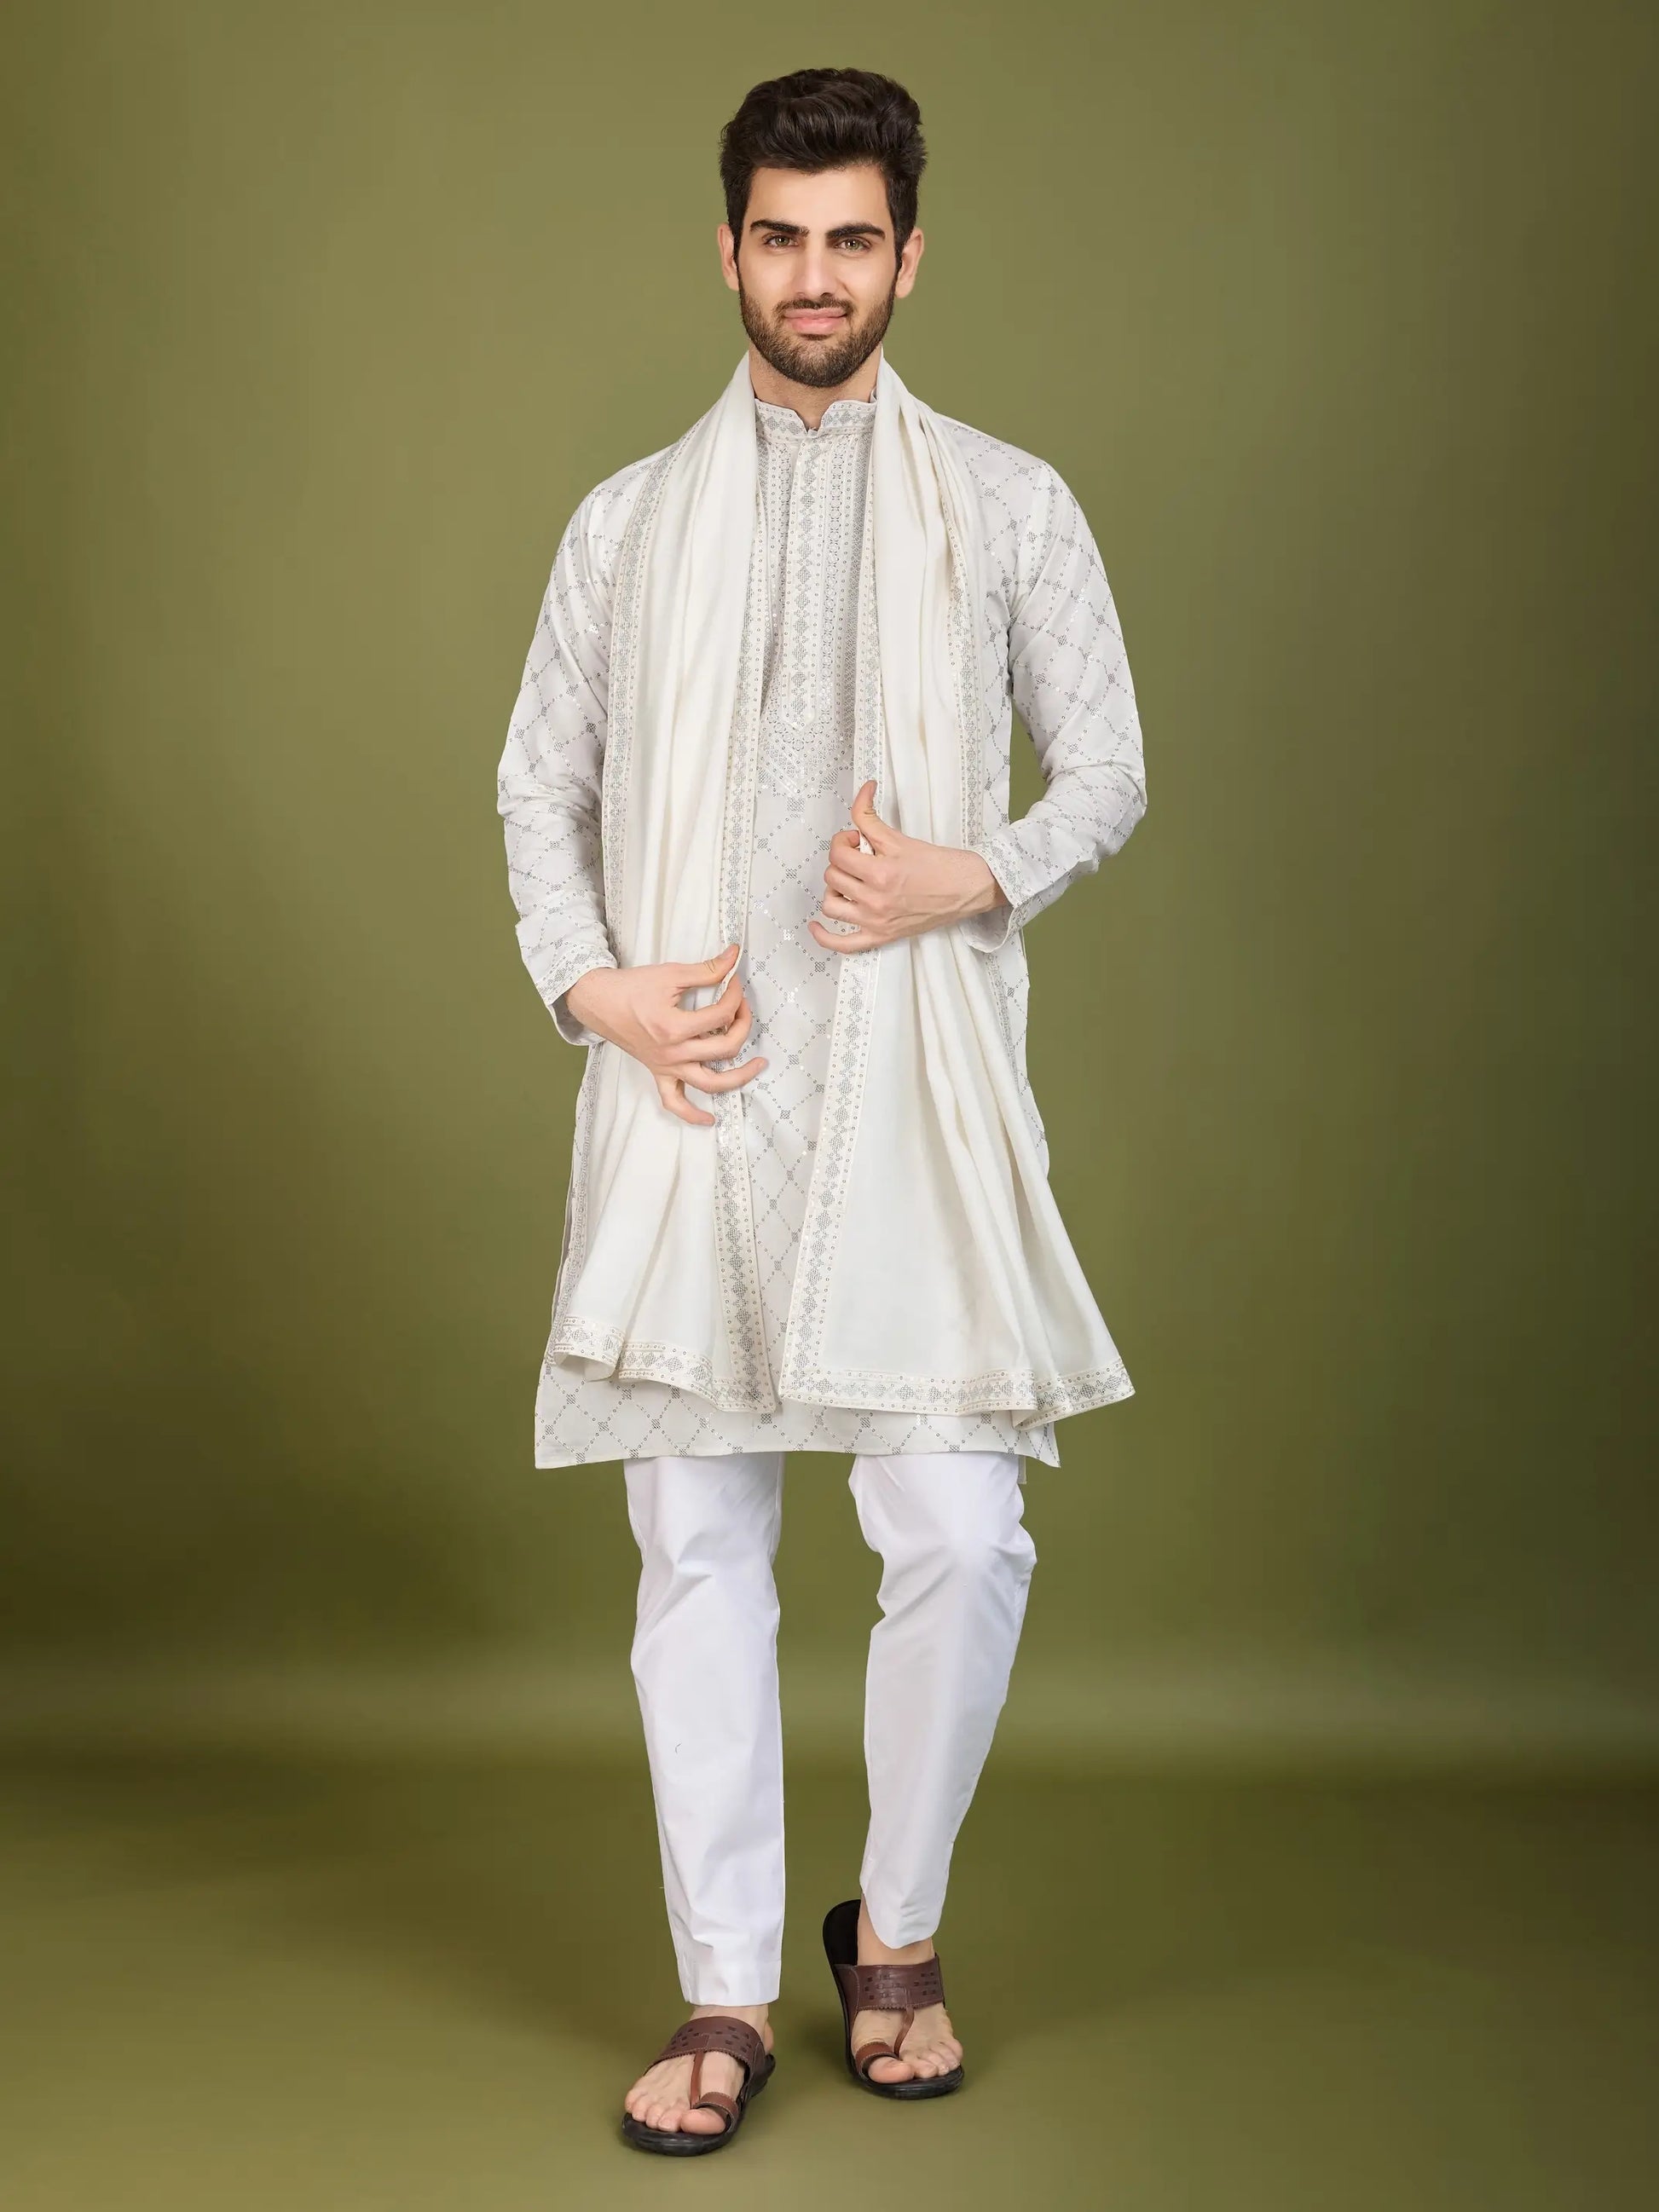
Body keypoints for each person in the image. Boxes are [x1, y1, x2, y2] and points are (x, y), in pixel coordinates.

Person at [496, 66, 1147, 2155]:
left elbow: (1108, 767)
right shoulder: (626, 522)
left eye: (849, 239)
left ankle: (899, 1932)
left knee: (959, 1527)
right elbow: (537, 786)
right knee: (697, 1546)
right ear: (727, 249)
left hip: (907, 1093)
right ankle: (719, 1988)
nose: (811, 275)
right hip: (692, 1091)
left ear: (907, 257)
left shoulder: (1010, 505)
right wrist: (592, 987)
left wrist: (976, 871)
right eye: (778, 237)